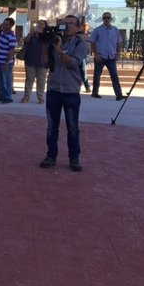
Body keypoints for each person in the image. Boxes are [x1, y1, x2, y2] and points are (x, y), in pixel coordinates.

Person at [40, 15, 89, 172]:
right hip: (54, 89)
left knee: (72, 127)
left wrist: (59, 50)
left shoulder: (81, 44)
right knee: (51, 127)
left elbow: (72, 63)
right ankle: (51, 156)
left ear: (78, 27)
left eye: (70, 24)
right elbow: (46, 63)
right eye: (64, 23)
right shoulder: (55, 41)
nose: (67, 26)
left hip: (70, 91)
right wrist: (47, 45)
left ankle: (74, 158)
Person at [90, 12, 124, 100]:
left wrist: (118, 53)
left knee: (114, 76)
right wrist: (96, 54)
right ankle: (95, 93)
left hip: (111, 57)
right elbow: (92, 42)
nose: (106, 19)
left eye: (108, 17)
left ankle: (119, 95)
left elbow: (119, 42)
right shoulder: (97, 30)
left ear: (111, 19)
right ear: (102, 19)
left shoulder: (115, 30)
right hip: (100, 56)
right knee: (97, 76)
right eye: (105, 17)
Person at [21, 20, 50, 104]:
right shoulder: (32, 35)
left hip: (43, 62)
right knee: (29, 80)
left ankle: (40, 98)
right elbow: (25, 41)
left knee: (41, 81)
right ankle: (26, 97)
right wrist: (32, 33)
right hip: (30, 61)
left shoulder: (47, 36)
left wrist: (44, 34)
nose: (40, 26)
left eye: (42, 24)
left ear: (45, 26)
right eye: (39, 24)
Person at [0, 18, 17, 103]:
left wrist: (7, 61)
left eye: (7, 24)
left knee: (7, 80)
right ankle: (2, 95)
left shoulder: (11, 36)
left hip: (6, 62)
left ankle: (8, 97)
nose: (4, 25)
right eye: (4, 23)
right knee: (0, 80)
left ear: (11, 25)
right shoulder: (2, 33)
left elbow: (11, 51)